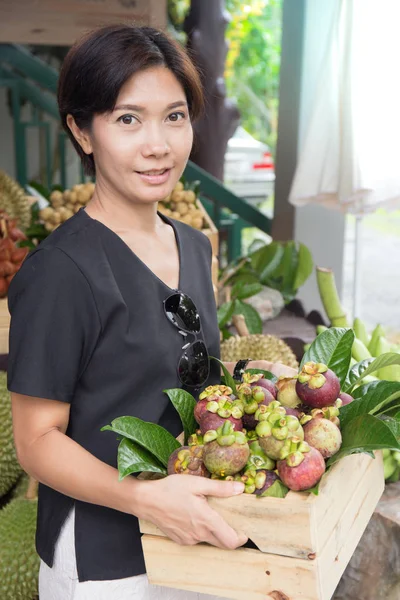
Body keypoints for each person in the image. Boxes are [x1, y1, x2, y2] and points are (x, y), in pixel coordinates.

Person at [8, 24, 294, 600]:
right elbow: (36, 441)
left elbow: (189, 383)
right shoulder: (60, 271)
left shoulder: (196, 246)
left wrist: (264, 388)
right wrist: (142, 497)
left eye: (175, 116)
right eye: (127, 119)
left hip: (195, 538)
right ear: (82, 132)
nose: (158, 144)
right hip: (103, 558)